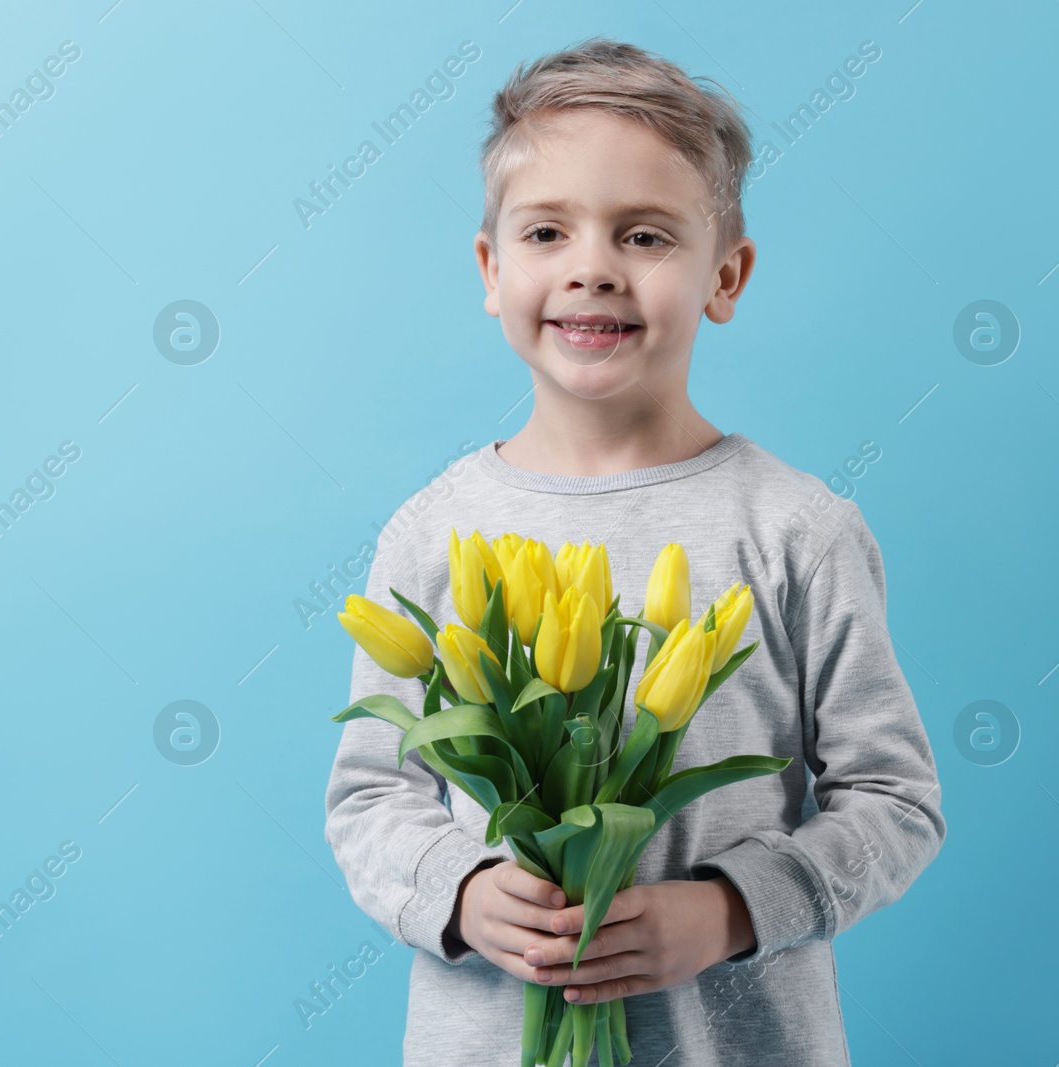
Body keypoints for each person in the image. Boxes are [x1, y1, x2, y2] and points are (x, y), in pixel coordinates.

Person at [323, 37, 945, 1066]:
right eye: (546, 230)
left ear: (724, 275)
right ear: (491, 268)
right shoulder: (432, 531)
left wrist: (731, 910)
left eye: (645, 234)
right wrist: (463, 892)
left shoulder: (797, 530)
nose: (591, 268)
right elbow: (371, 795)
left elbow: (892, 799)